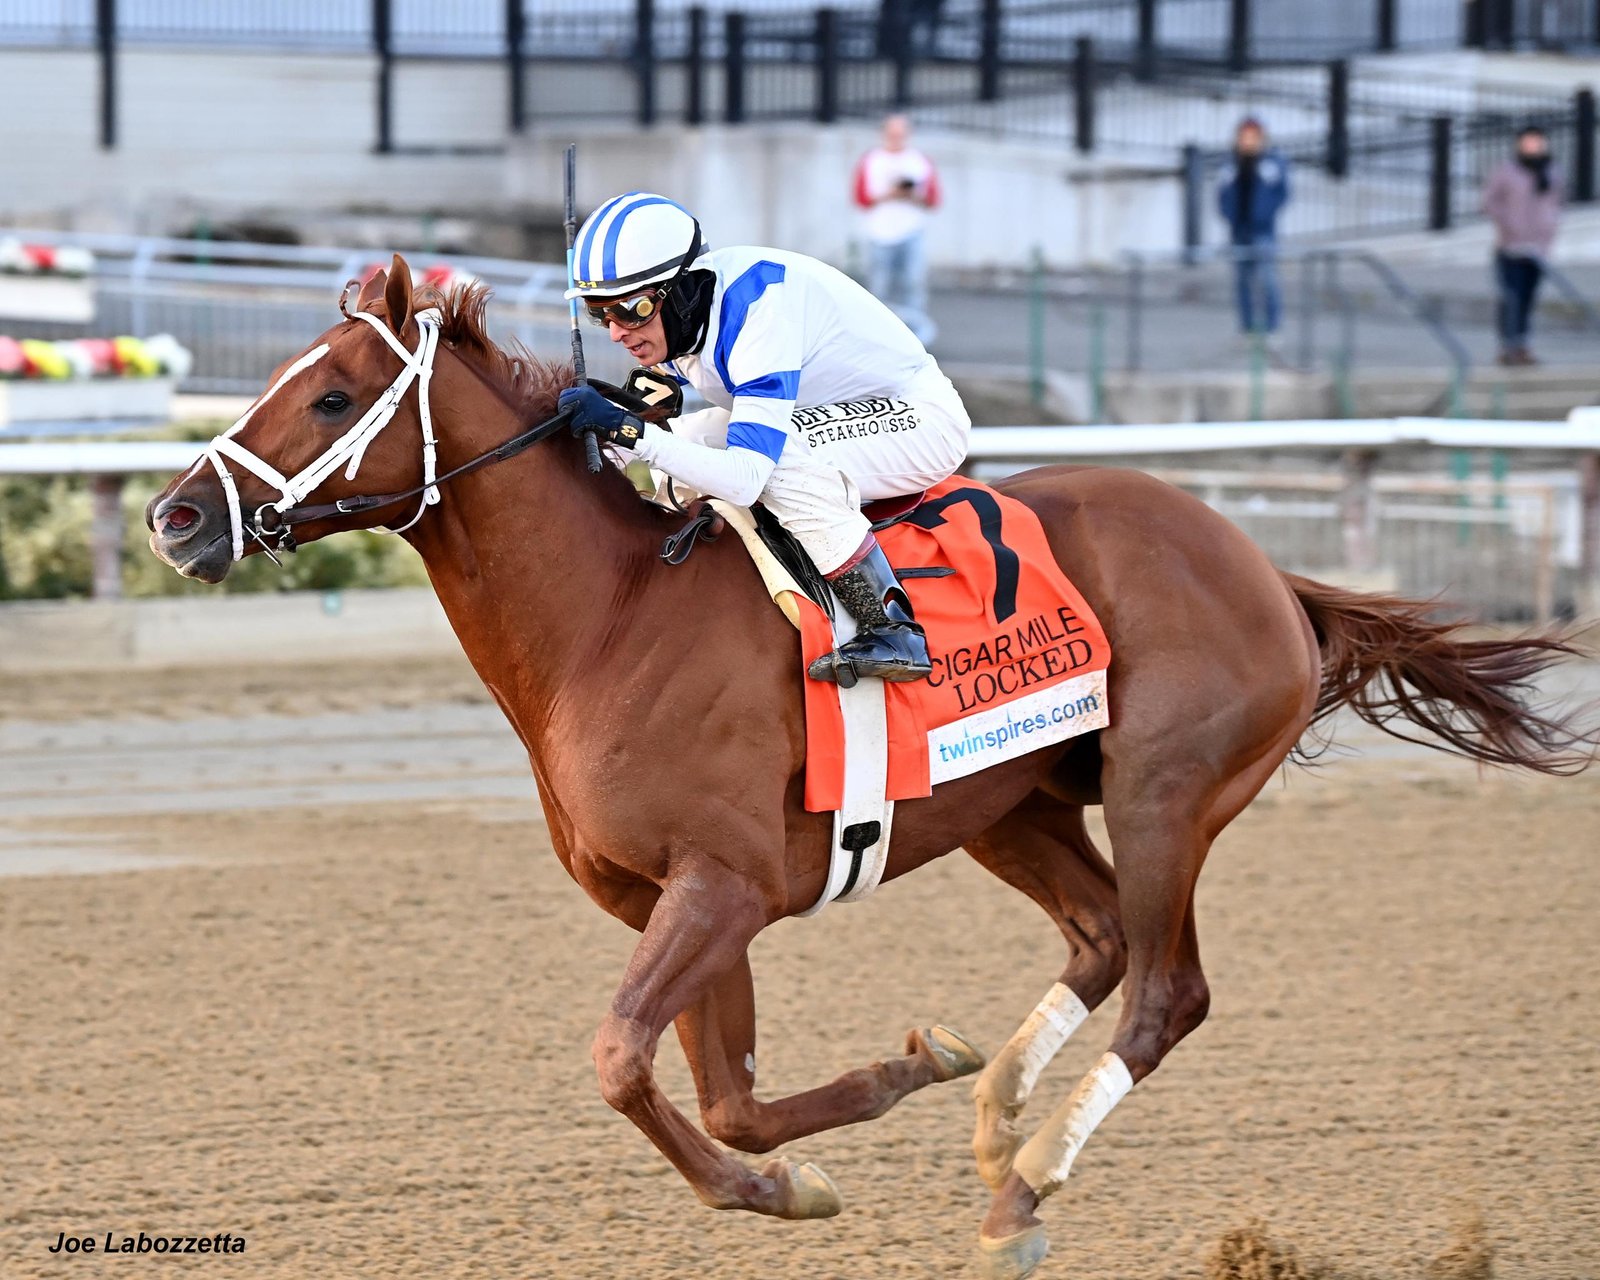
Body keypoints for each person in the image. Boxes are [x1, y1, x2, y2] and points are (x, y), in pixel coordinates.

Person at [558, 192, 972, 684]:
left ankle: (893, 629)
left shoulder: (760, 307)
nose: (615, 332)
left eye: (630, 309)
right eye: (597, 312)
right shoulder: (682, 315)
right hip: (825, 412)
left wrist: (632, 431)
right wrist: (636, 418)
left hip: (920, 421)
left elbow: (746, 479)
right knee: (694, 435)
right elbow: (687, 399)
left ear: (684, 290)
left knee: (772, 462)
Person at [852, 114, 940, 346]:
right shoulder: (871, 161)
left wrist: (912, 196)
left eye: (901, 134)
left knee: (913, 284)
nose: (896, 139)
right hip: (880, 233)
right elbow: (861, 198)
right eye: (892, 134)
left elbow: (933, 199)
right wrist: (887, 195)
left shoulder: (919, 161)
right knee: (880, 288)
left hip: (911, 231)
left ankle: (915, 341)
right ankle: (879, 340)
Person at [1483, 125, 1563, 367]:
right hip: (1510, 247)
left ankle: (1523, 345)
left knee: (1528, 298)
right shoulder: (1507, 171)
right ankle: (1508, 345)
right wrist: (1508, 224)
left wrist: (1550, 227)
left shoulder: (1552, 172)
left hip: (1538, 248)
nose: (1533, 147)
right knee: (1512, 297)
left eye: (1536, 142)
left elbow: (1557, 203)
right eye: (1528, 142)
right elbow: (1489, 201)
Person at [1217, 118, 1291, 341]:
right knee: (1242, 280)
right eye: (1244, 137)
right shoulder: (1232, 164)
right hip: (1239, 229)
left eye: (1252, 137)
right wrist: (1230, 217)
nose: (1247, 142)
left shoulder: (1270, 163)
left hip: (1263, 229)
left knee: (1267, 278)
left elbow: (1282, 192)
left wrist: (1265, 214)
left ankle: (1272, 327)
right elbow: (1223, 195)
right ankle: (1247, 327)